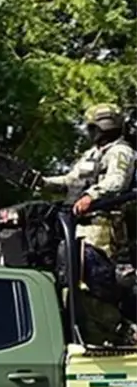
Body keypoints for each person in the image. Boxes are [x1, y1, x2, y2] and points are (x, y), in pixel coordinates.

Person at [42, 104, 137, 344]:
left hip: (102, 228)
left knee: (97, 286)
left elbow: (117, 182)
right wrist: (41, 182)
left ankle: (123, 333)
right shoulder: (92, 154)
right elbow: (70, 181)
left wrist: (91, 197)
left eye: (92, 127)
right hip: (78, 228)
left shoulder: (120, 151)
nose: (89, 131)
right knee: (73, 286)